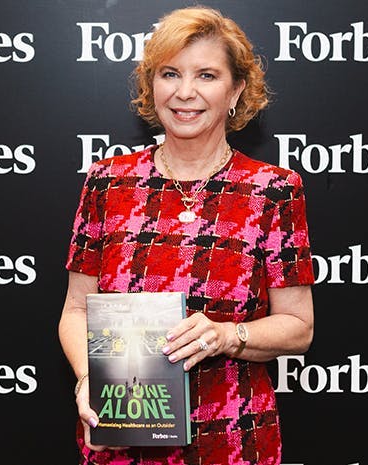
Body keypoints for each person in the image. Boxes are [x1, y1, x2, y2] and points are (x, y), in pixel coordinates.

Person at [58, 6, 315, 465]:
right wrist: (88, 381)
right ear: (151, 85)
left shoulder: (272, 190)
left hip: (234, 438)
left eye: (207, 75)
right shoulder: (107, 181)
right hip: (122, 437)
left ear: (236, 89)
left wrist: (225, 335)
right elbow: (76, 310)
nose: (185, 92)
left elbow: (298, 327)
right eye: (170, 73)